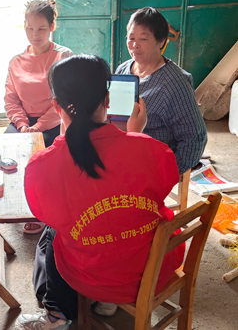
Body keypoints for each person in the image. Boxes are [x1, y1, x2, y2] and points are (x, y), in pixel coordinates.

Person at [16, 55, 185, 330]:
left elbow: (46, 214)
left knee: (52, 233)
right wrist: (136, 134)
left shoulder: (44, 164)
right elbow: (160, 185)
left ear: (56, 106)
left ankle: (57, 315)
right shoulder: (150, 149)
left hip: (92, 276)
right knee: (130, 214)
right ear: (107, 100)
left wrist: (61, 142)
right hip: (155, 267)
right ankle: (110, 301)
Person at [4, 0, 73, 235]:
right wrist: (23, 125)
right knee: (9, 156)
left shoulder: (63, 57)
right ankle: (25, 205)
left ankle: (45, 210)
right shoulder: (16, 62)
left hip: (54, 120)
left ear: (52, 27)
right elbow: (11, 99)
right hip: (24, 123)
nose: (35, 34)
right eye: (30, 28)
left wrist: (40, 126)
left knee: (49, 159)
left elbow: (64, 101)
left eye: (42, 28)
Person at [115, 7, 207, 175]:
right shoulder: (123, 69)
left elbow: (194, 138)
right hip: (121, 153)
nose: (134, 45)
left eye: (143, 39)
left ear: (161, 41)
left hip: (151, 164)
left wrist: (166, 174)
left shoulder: (175, 84)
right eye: (131, 38)